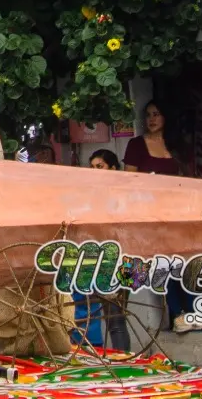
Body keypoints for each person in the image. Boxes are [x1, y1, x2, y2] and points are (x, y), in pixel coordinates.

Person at [122, 102, 202, 331]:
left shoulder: (176, 145)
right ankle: (178, 314)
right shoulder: (136, 145)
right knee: (166, 264)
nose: (151, 119)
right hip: (151, 214)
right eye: (147, 115)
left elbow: (187, 178)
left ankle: (194, 312)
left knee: (185, 262)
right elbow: (129, 182)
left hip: (178, 213)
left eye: (156, 114)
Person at [87, 149, 130, 351]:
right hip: (105, 257)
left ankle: (123, 358)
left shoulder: (121, 195)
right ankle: (122, 357)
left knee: (116, 316)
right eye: (92, 167)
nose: (95, 171)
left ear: (113, 168)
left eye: (99, 166)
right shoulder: (94, 196)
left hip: (122, 258)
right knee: (113, 316)